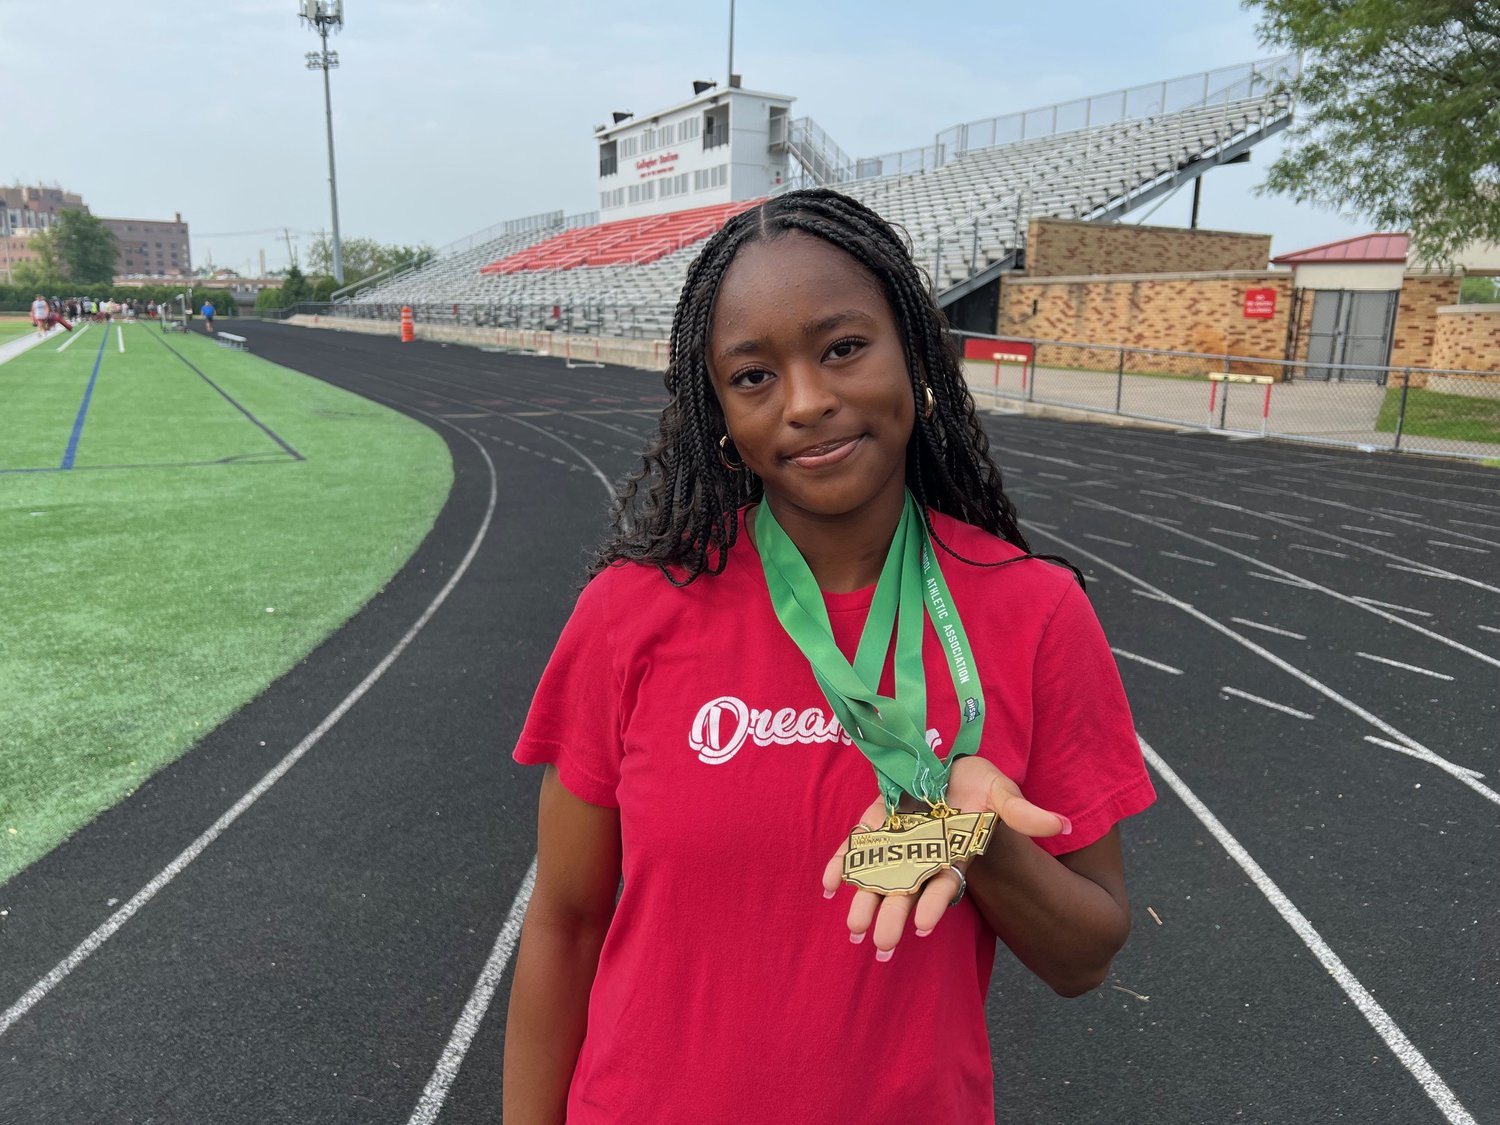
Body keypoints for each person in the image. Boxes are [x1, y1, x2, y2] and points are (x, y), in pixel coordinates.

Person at [504, 189, 1156, 1124]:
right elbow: (565, 925)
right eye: (753, 375)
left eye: (843, 348)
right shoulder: (629, 613)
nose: (807, 401)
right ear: (720, 412)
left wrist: (970, 835)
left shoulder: (1036, 612)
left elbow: (1085, 956)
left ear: (915, 356)